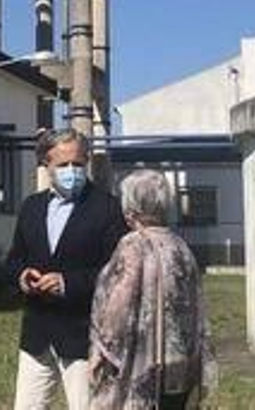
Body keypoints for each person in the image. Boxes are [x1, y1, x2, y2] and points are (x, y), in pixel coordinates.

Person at [6, 128, 129, 410]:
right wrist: (21, 276)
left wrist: (68, 283)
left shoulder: (108, 209)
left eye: (77, 164)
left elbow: (117, 272)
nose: (71, 171)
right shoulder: (31, 207)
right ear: (46, 165)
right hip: (37, 335)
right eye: (62, 165)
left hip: (84, 337)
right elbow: (14, 259)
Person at [88, 170, 215, 409]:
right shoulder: (179, 245)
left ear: (130, 208)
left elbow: (119, 303)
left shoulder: (133, 244)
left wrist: (102, 349)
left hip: (143, 361)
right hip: (180, 359)